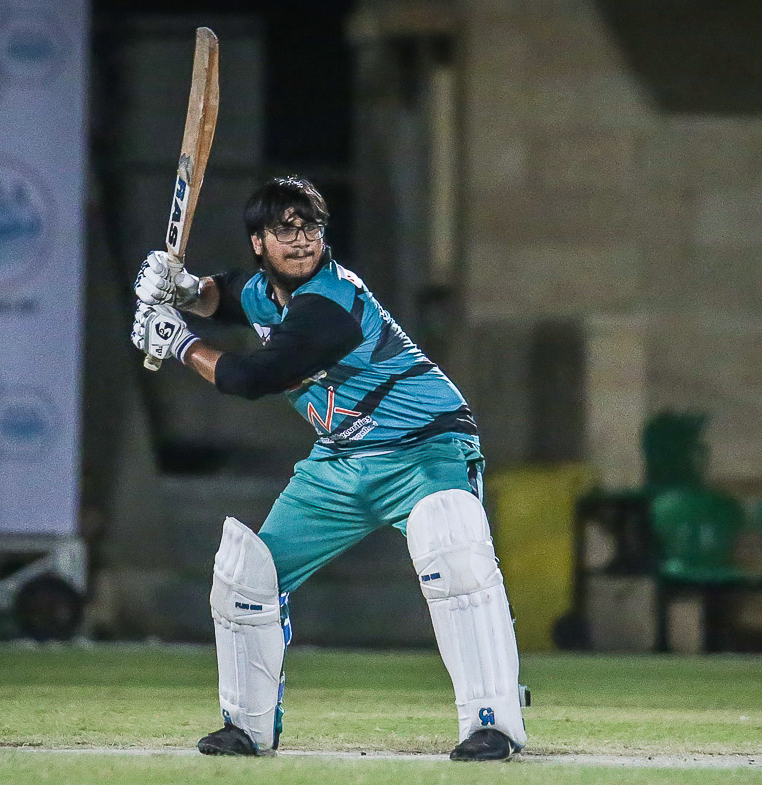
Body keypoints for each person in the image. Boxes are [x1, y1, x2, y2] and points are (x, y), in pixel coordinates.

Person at [130, 176, 527, 762]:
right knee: (247, 577)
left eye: (310, 228)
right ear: (259, 243)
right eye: (284, 230)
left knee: (454, 553)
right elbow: (229, 293)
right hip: (341, 459)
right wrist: (187, 290)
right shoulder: (267, 289)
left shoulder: (329, 304)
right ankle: (246, 729)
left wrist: (180, 343)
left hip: (424, 446)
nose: (301, 241)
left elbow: (252, 379)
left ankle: (493, 724)